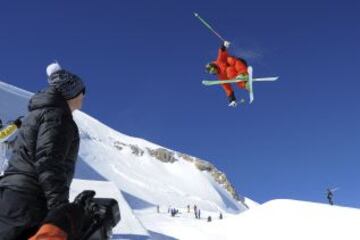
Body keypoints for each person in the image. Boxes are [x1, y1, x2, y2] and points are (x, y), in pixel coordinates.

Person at [0, 62, 86, 240]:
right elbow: (48, 160)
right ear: (70, 93)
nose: (83, 97)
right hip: (30, 198)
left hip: (12, 194)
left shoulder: (37, 115)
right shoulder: (58, 117)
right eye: (81, 92)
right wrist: (60, 208)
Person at [205, 41, 249, 107]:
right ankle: (245, 84)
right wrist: (232, 100)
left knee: (229, 59)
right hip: (235, 74)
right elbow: (227, 89)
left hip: (239, 64)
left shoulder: (219, 61)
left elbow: (221, 53)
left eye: (213, 70)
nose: (214, 72)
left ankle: (243, 74)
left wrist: (224, 46)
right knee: (229, 72)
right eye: (212, 72)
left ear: (214, 66)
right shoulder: (221, 77)